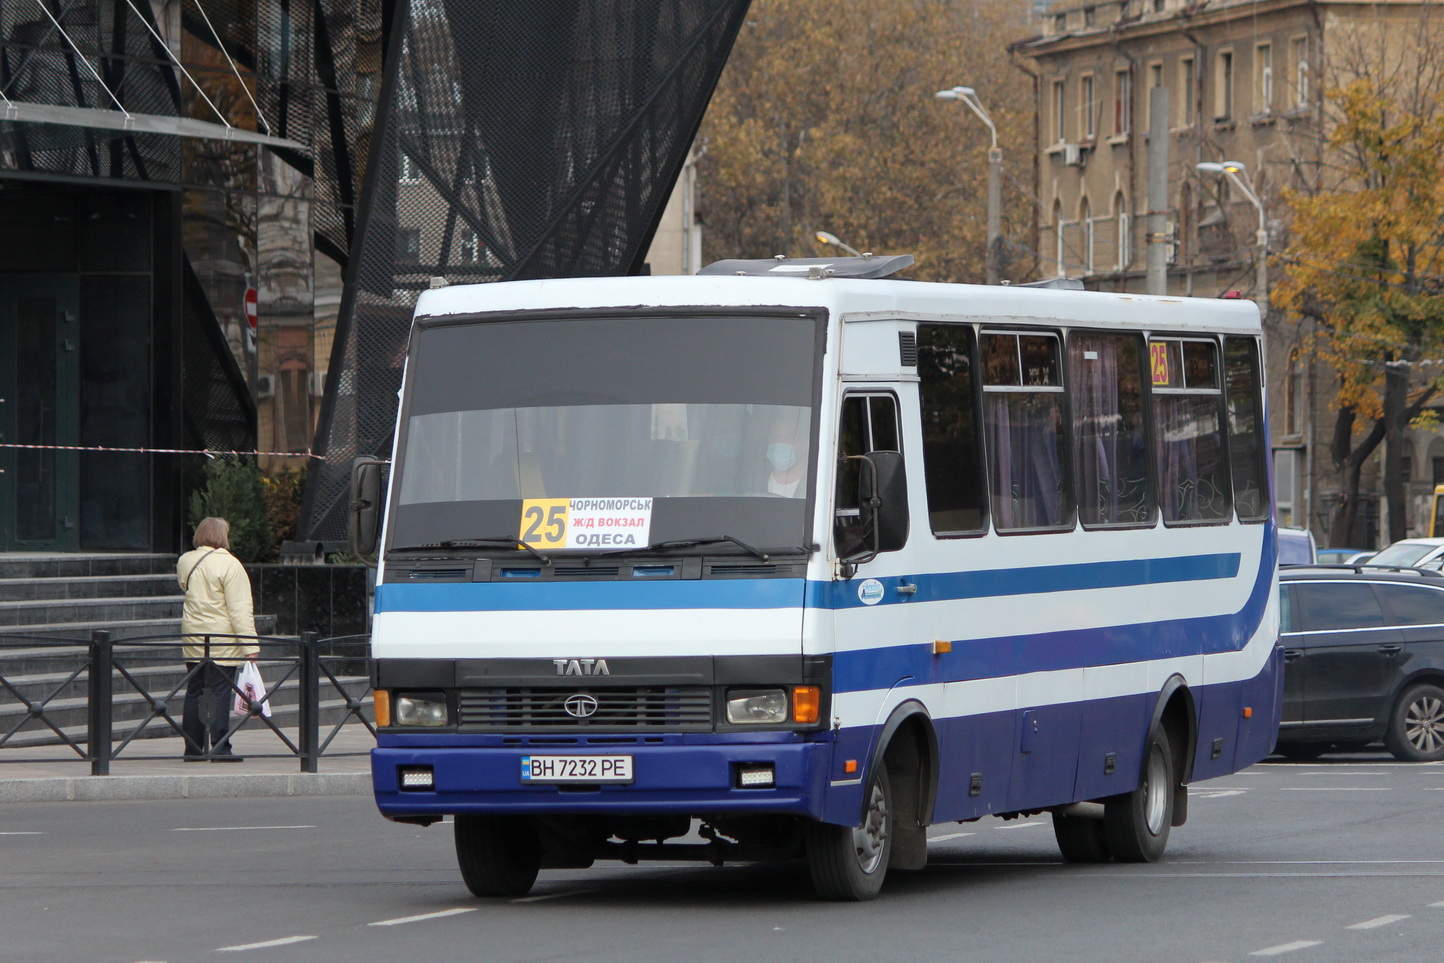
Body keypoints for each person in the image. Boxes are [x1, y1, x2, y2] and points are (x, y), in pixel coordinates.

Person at [176, 517, 258, 762]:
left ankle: (193, 748)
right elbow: (239, 609)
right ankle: (221, 747)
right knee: (221, 692)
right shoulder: (230, 565)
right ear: (223, 535)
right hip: (222, 637)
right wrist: (250, 645)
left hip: (193, 634)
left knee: (195, 691)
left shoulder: (185, 560)